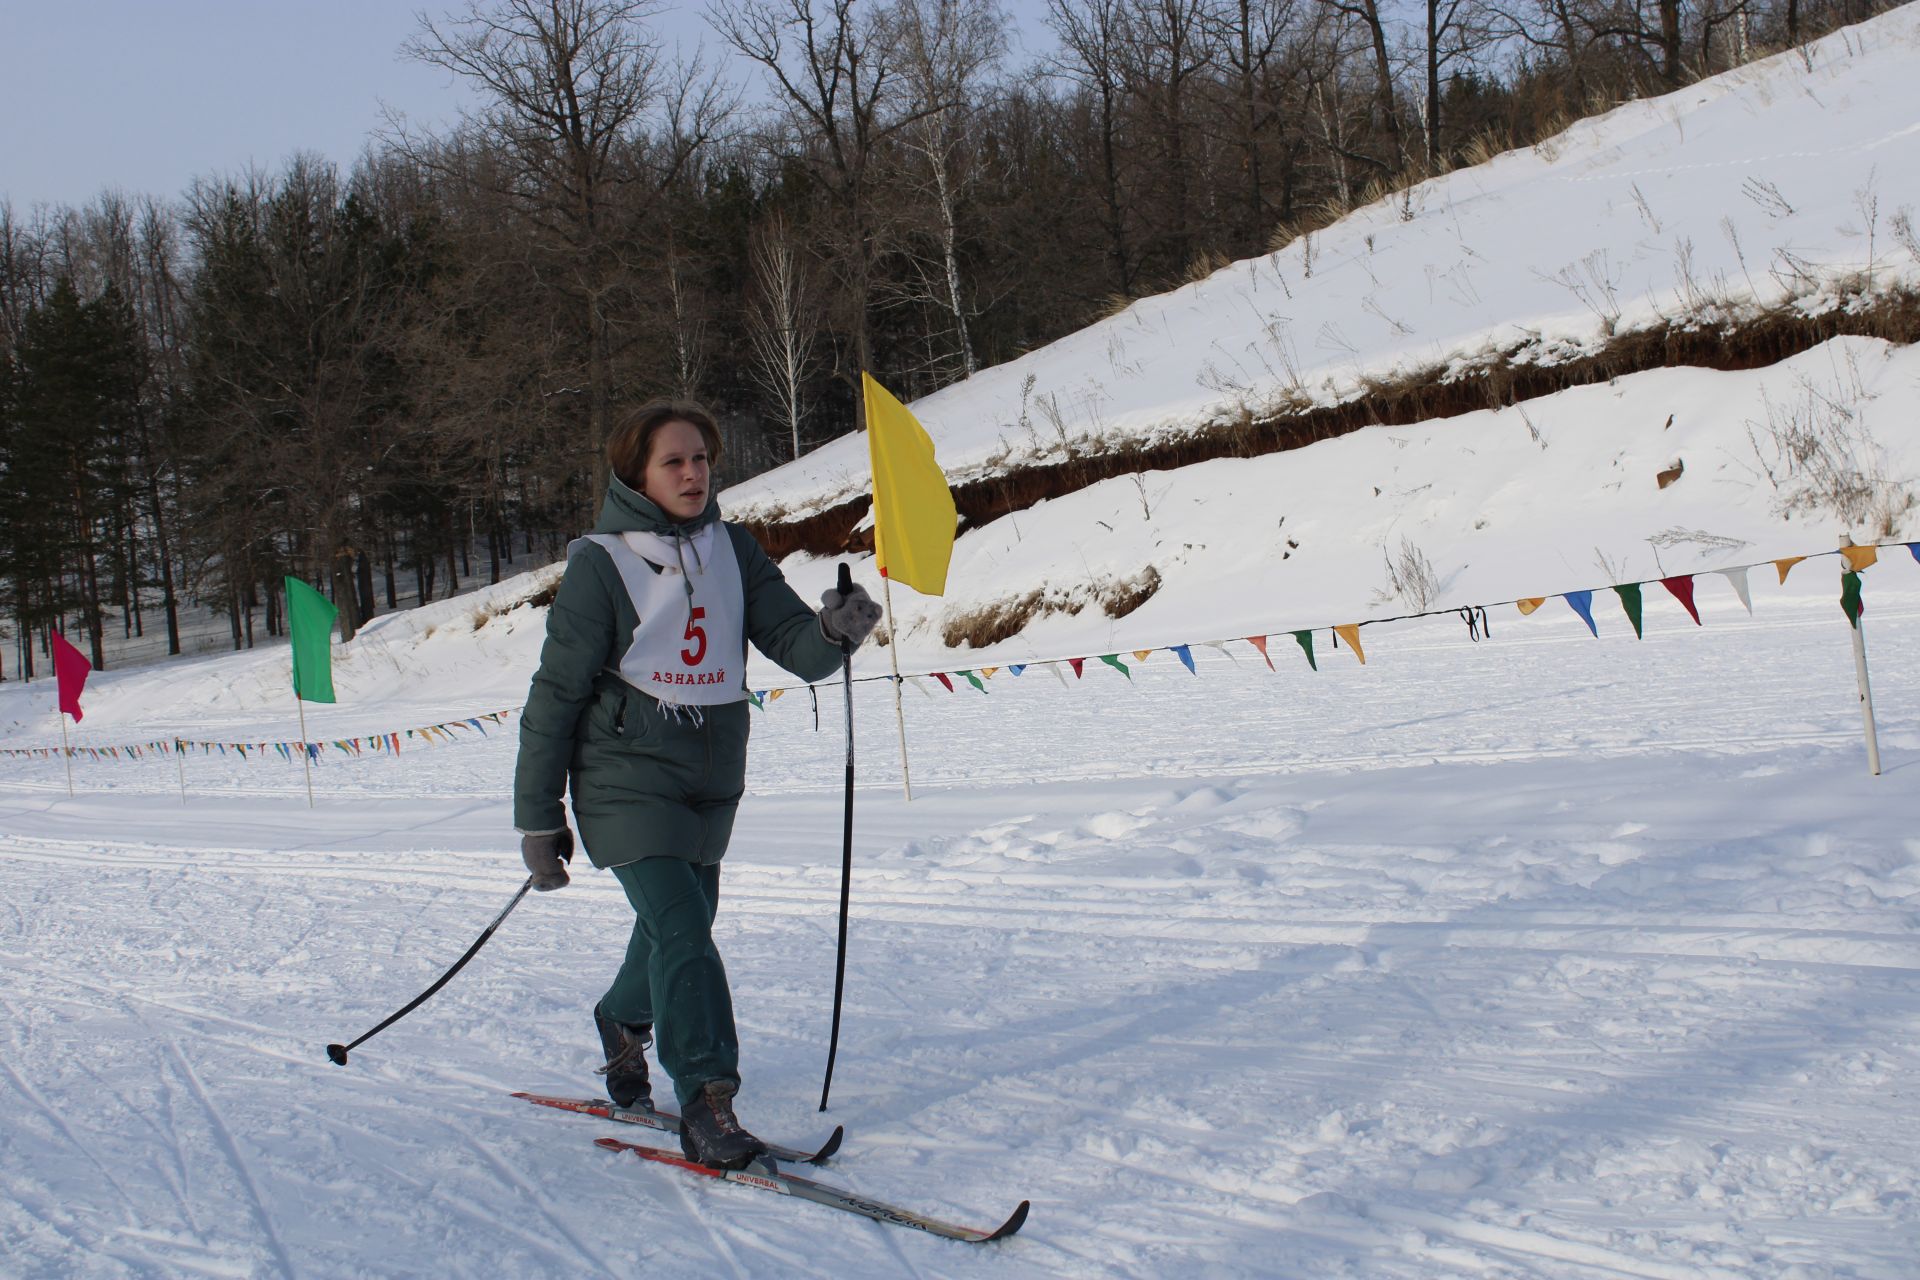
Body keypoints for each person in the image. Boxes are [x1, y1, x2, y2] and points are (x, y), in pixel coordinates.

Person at [512, 399, 882, 1169]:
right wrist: (539, 818)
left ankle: (620, 1018)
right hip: (626, 778)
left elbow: (792, 643)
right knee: (684, 930)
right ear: (637, 475)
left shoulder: (731, 550)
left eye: (701, 459)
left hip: (713, 780)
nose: (692, 473)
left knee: (674, 923)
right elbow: (554, 697)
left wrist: (834, 630)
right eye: (673, 461)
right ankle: (709, 1104)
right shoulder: (600, 563)